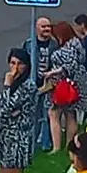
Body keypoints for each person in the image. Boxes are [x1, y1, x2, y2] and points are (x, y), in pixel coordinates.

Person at [44, 22, 87, 152]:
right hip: (77, 84)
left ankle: (56, 147)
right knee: (71, 114)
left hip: (64, 86)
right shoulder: (77, 43)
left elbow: (70, 65)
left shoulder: (66, 48)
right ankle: (69, 145)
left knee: (53, 113)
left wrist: (53, 72)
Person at [32, 17, 59, 151]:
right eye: (43, 26)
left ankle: (46, 143)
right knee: (33, 115)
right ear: (37, 28)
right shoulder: (29, 44)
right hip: (34, 85)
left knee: (48, 115)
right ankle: (32, 142)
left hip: (50, 86)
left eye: (48, 26)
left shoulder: (55, 45)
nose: (47, 29)